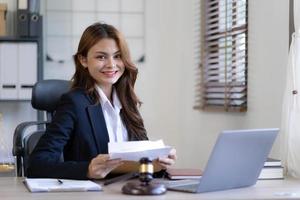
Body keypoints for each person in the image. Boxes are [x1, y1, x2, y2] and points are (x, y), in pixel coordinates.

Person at [27, 22, 176, 180]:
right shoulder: (74, 103)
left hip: (129, 191)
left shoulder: (127, 102)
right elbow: (37, 165)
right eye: (101, 57)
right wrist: (87, 170)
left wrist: (157, 164)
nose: (111, 65)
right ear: (83, 60)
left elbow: (140, 157)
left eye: (117, 56)